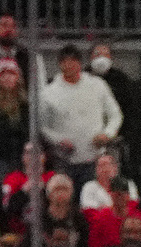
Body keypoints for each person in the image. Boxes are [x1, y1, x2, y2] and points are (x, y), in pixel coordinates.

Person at [37, 44, 123, 180]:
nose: (70, 65)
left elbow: (115, 115)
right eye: (65, 61)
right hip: (63, 161)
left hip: (96, 159)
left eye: (73, 61)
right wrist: (58, 140)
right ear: (60, 64)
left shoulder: (97, 85)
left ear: (80, 63)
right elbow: (42, 127)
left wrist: (107, 134)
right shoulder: (48, 93)